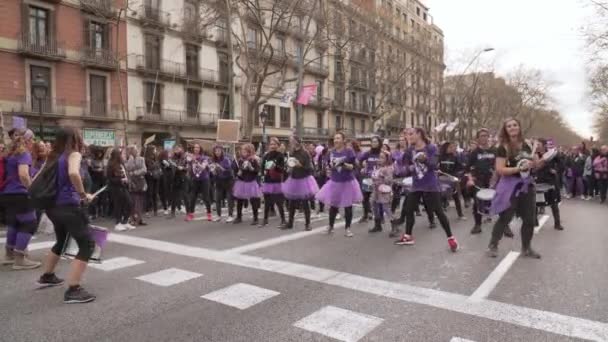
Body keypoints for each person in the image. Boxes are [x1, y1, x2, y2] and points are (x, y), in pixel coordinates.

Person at [35, 127, 97, 303]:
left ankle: (47, 276)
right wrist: (84, 195)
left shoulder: (53, 157)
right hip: (69, 206)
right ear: (74, 139)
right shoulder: (74, 154)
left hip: (53, 207)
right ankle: (73, 289)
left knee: (61, 241)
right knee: (87, 245)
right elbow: (73, 173)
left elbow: (36, 180)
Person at [393, 127, 459, 252]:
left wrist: (425, 159)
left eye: (411, 134)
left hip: (430, 185)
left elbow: (434, 164)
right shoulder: (410, 150)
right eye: (407, 135)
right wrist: (405, 168)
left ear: (419, 134)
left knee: (439, 212)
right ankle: (408, 236)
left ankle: (451, 238)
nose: (409, 136)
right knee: (408, 209)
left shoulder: (431, 148)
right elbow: (404, 164)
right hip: (416, 185)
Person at [487, 118, 542, 259]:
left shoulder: (528, 144)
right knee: (505, 217)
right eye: (509, 126)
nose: (512, 128)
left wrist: (537, 161)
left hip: (527, 185)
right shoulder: (502, 147)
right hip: (509, 186)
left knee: (529, 219)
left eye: (515, 125)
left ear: (519, 127)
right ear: (505, 129)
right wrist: (518, 168)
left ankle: (526, 248)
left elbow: (536, 164)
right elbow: (500, 169)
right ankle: (493, 245)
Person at [0, 129, 41, 269]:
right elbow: (23, 174)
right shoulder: (24, 154)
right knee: (29, 223)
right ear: (27, 140)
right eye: (33, 139)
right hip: (20, 194)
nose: (34, 142)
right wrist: (32, 190)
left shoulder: (10, 154)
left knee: (15, 224)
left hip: (7, 193)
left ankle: (9, 255)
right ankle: (20, 259)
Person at [466, 129, 513, 236]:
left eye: (486, 135)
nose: (484, 138)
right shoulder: (474, 153)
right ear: (477, 138)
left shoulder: (496, 151)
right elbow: (467, 169)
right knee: (477, 203)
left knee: (501, 202)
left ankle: (505, 226)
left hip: (496, 180)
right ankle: (477, 225)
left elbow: (504, 165)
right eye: (482, 136)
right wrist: (470, 180)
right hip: (479, 181)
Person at [315, 132, 363, 237]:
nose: (336, 140)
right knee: (333, 206)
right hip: (335, 181)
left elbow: (354, 167)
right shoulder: (331, 152)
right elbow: (328, 166)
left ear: (343, 140)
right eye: (335, 138)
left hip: (347, 182)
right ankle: (330, 227)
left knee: (348, 206)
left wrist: (343, 164)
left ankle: (348, 228)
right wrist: (331, 166)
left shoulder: (349, 151)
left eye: (338, 138)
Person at [282, 136, 319, 230]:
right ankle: (290, 223)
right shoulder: (292, 153)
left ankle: (308, 224)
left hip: (303, 180)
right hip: (293, 179)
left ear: (297, 142)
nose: (290, 143)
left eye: (292, 141)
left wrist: (300, 165)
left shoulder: (305, 153)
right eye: (290, 142)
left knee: (305, 203)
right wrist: (289, 167)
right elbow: (291, 165)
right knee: (292, 203)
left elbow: (310, 169)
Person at [535, 138, 564, 230]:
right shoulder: (534, 155)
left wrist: (556, 170)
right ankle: (534, 222)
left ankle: (557, 223)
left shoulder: (552, 154)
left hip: (550, 181)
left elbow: (561, 165)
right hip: (538, 181)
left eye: (538, 144)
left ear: (544, 145)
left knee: (553, 203)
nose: (536, 146)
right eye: (536, 144)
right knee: (535, 203)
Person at [232, 143, 262, 225]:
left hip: (251, 182)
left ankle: (255, 218)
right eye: (242, 151)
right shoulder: (241, 160)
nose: (242, 153)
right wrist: (239, 173)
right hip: (242, 182)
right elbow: (240, 171)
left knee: (253, 201)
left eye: (244, 151)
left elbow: (257, 171)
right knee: (239, 200)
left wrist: (251, 168)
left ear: (249, 152)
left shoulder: (253, 160)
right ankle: (239, 216)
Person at [260, 137, 286, 227]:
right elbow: (262, 167)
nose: (272, 146)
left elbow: (282, 169)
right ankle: (265, 220)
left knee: (279, 201)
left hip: (276, 181)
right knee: (267, 202)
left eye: (274, 144)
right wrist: (262, 175)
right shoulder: (266, 155)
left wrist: (275, 166)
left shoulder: (280, 155)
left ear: (278, 146)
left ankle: (283, 220)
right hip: (267, 181)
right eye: (271, 144)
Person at [107, 148, 134, 231]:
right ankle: (118, 223)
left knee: (130, 203)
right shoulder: (111, 165)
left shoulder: (122, 164)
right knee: (118, 205)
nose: (124, 155)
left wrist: (127, 180)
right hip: (115, 187)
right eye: (122, 154)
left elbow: (126, 174)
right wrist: (120, 180)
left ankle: (125, 221)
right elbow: (109, 178)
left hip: (124, 186)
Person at [358, 136, 382, 223]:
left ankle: (379, 217)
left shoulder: (382, 153)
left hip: (379, 179)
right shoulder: (368, 153)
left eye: (376, 142)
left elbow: (389, 162)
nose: (374, 143)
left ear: (379, 143)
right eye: (373, 142)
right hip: (368, 178)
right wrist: (362, 168)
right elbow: (359, 160)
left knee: (378, 198)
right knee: (365, 197)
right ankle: (366, 214)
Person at [439, 141, 465, 220]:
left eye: (452, 147)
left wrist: (457, 175)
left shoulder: (455, 157)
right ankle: (439, 213)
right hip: (441, 179)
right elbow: (435, 167)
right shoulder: (440, 157)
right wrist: (438, 171)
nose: (452, 148)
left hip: (452, 179)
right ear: (445, 148)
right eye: (450, 147)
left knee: (456, 197)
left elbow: (460, 168)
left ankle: (460, 214)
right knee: (439, 196)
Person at [186, 144, 212, 222]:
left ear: (200, 149)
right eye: (194, 147)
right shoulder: (190, 158)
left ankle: (209, 214)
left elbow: (202, 167)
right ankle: (191, 214)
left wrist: (195, 160)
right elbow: (188, 166)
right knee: (192, 197)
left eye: (197, 147)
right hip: (195, 180)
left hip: (204, 179)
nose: (196, 149)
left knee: (206, 198)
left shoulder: (205, 158)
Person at [369, 150, 393, 233]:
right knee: (374, 205)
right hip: (376, 190)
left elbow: (389, 180)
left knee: (386, 208)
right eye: (379, 157)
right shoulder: (377, 168)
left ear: (387, 159)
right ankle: (377, 225)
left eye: (382, 158)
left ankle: (394, 226)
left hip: (384, 191)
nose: (379, 159)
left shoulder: (388, 168)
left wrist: (382, 176)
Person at [210, 145, 235, 222]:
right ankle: (218, 215)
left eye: (219, 150)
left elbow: (229, 171)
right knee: (217, 198)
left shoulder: (226, 159)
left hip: (228, 181)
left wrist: (220, 167)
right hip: (218, 181)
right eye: (215, 151)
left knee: (229, 198)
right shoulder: (213, 160)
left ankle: (230, 215)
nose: (217, 152)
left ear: (222, 151)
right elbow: (213, 174)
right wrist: (213, 171)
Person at [126, 145, 147, 226]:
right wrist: (130, 160)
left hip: (140, 182)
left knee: (139, 201)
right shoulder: (128, 160)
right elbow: (127, 170)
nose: (135, 151)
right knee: (133, 201)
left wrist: (134, 173)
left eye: (135, 150)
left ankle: (139, 219)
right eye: (133, 150)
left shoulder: (141, 159)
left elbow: (144, 170)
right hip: (132, 182)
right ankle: (133, 218)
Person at [168, 146, 188, 218]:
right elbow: (171, 167)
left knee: (185, 194)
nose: (177, 150)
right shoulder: (173, 157)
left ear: (181, 149)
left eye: (178, 149)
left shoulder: (184, 157)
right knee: (174, 195)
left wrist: (182, 168)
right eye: (175, 149)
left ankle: (188, 212)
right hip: (175, 178)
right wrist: (170, 165)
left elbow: (187, 167)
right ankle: (172, 213)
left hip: (182, 177)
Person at [144, 145, 162, 216]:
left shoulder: (156, 158)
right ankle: (147, 210)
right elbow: (147, 168)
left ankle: (155, 210)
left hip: (156, 178)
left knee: (155, 194)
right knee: (149, 194)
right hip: (150, 178)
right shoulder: (146, 159)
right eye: (154, 150)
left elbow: (158, 166)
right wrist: (152, 169)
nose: (155, 151)